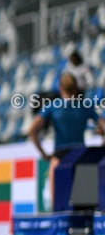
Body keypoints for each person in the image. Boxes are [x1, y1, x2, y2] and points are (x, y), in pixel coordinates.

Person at [29, 72, 105, 206]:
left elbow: (32, 130)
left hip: (60, 157)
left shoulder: (53, 106)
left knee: (59, 207)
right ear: (76, 87)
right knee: (85, 208)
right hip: (82, 157)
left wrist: (44, 154)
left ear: (60, 87)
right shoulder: (85, 105)